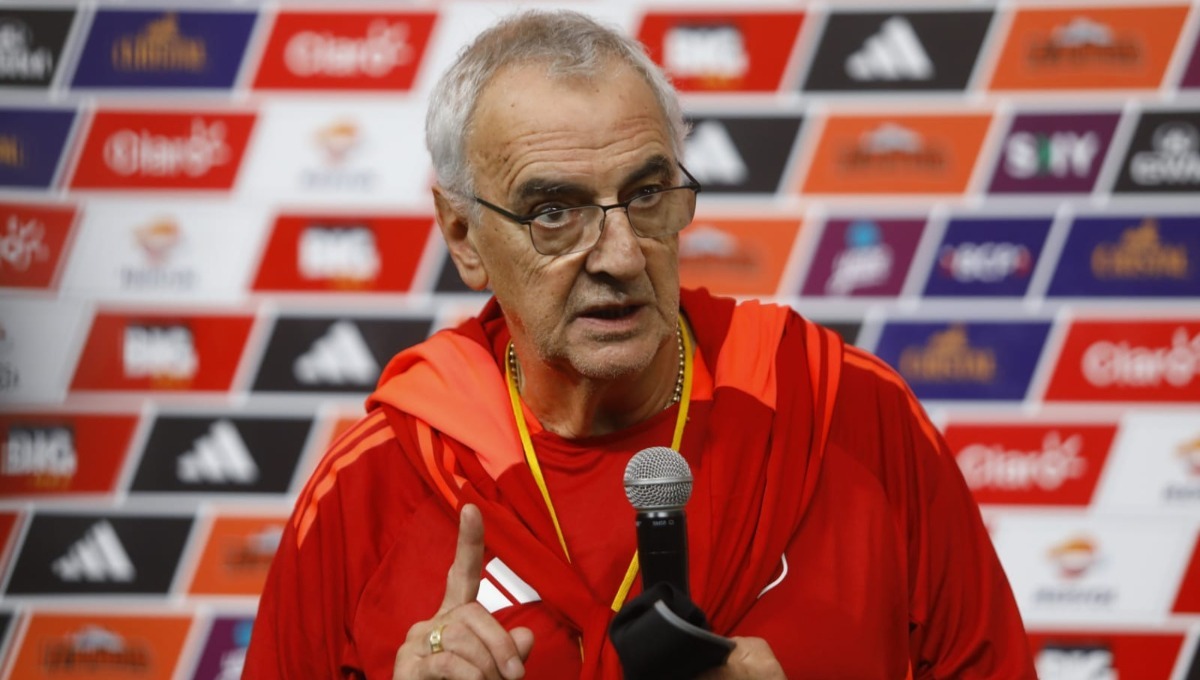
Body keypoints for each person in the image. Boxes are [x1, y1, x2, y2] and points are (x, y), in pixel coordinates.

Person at [244, 9, 1036, 679]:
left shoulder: (848, 417)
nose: (621, 256)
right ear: (464, 235)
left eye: (647, 195)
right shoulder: (374, 482)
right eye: (554, 211)